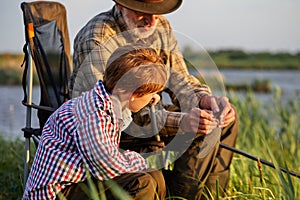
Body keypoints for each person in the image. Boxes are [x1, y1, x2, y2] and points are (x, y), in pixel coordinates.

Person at [69, 0, 239, 199]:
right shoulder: (97, 36)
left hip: (146, 112)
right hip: (109, 126)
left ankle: (210, 196)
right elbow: (112, 110)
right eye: (143, 12)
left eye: (157, 13)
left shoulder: (161, 26)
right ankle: (180, 197)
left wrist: (205, 100)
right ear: (121, 5)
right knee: (200, 126)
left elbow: (181, 81)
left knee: (220, 118)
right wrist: (184, 122)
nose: (151, 21)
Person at [23, 45, 168, 200]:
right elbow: (107, 166)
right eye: (152, 93)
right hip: (54, 193)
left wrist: (145, 97)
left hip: (77, 182)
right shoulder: (92, 113)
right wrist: (138, 160)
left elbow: (120, 119)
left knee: (154, 175)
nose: (155, 97)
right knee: (141, 182)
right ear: (131, 93)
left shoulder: (107, 101)